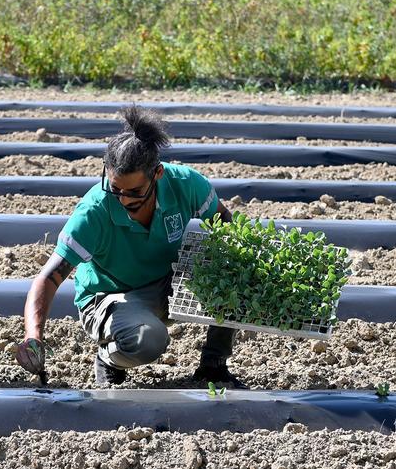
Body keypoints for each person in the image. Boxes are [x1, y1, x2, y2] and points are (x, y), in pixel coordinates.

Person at [16, 106, 242, 386]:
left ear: (157, 174)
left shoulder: (187, 185)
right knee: (150, 339)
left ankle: (213, 365)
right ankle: (109, 357)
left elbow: (228, 227)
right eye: (116, 189)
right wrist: (33, 337)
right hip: (109, 297)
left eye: (134, 192)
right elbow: (48, 278)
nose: (123, 200)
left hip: (168, 284)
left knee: (233, 270)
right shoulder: (94, 212)